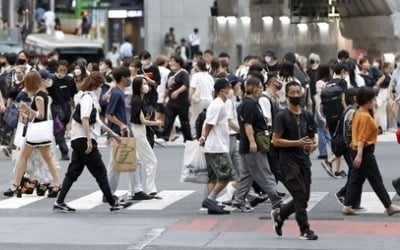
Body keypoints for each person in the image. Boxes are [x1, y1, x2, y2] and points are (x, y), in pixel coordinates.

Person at [54, 72, 132, 213]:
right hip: (84, 139)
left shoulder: (87, 97)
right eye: (101, 85)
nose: (100, 88)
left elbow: (97, 121)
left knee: (73, 172)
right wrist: (89, 140)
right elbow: (85, 118)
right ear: (96, 84)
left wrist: (113, 134)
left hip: (79, 139)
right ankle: (112, 202)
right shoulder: (88, 98)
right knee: (100, 171)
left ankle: (59, 201)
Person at [271, 81, 318, 240]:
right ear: (287, 95)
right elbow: (276, 141)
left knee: (304, 197)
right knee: (299, 193)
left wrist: (313, 144)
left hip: (304, 160)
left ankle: (280, 215)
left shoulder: (307, 115)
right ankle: (304, 229)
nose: (297, 95)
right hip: (287, 161)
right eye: (293, 92)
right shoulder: (282, 116)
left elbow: (311, 136)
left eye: (299, 92)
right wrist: (296, 143)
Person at [342, 87, 400, 216]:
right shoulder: (365, 116)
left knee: (356, 179)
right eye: (373, 99)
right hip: (364, 151)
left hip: (356, 149)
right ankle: (388, 206)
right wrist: (360, 155)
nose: (374, 101)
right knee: (375, 179)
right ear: (368, 100)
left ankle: (347, 205)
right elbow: (362, 137)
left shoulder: (358, 112)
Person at [3, 71, 61, 198]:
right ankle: (56, 184)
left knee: (23, 157)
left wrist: (27, 109)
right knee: (47, 159)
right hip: (42, 132)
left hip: (36, 132)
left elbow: (40, 115)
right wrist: (27, 113)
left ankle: (15, 185)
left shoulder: (39, 97)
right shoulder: (42, 94)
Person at [233, 77, 282, 212]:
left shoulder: (251, 103)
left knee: (247, 175)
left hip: (248, 145)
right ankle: (276, 199)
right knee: (264, 172)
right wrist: (253, 142)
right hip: (253, 145)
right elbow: (248, 125)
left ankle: (238, 200)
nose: (262, 90)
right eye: (260, 87)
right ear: (254, 89)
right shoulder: (249, 104)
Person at [106, 67, 153, 201]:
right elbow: (109, 114)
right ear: (122, 78)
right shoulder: (117, 94)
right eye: (128, 77)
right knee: (116, 163)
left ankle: (136, 190)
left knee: (132, 160)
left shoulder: (118, 92)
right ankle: (109, 192)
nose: (129, 80)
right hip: (119, 132)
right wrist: (121, 125)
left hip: (121, 132)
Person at [199, 77, 234, 215]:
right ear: (222, 90)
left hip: (216, 146)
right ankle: (210, 199)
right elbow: (208, 124)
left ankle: (211, 204)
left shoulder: (221, 104)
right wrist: (203, 137)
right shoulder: (218, 104)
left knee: (214, 177)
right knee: (227, 176)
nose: (231, 90)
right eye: (229, 87)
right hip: (216, 147)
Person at [131, 76, 163, 198]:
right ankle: (151, 189)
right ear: (138, 86)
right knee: (151, 161)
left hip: (139, 131)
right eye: (143, 84)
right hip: (138, 132)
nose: (146, 86)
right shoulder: (137, 100)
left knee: (137, 161)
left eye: (146, 83)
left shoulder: (140, 99)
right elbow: (142, 121)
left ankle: (134, 189)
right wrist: (157, 123)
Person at [47, 60, 77, 160]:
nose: (62, 72)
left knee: (60, 130)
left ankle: (49, 148)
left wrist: (73, 108)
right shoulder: (51, 80)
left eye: (64, 70)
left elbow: (73, 95)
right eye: (61, 69)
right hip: (55, 106)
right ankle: (65, 152)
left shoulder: (69, 80)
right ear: (57, 69)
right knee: (59, 130)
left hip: (66, 106)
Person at [162, 54, 193, 142]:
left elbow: (186, 85)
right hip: (172, 102)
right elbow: (167, 87)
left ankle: (187, 138)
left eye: (173, 61)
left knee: (184, 121)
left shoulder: (183, 73)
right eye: (170, 61)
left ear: (178, 63)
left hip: (182, 102)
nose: (171, 63)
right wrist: (164, 98)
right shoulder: (170, 73)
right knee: (168, 119)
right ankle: (165, 136)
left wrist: (177, 91)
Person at [189, 59, 214, 132]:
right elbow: (213, 91)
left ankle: (194, 133)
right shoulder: (210, 77)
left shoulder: (196, 76)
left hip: (198, 100)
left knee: (195, 118)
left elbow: (192, 88)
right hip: (209, 100)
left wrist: (189, 98)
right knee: (208, 118)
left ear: (198, 67)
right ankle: (206, 132)